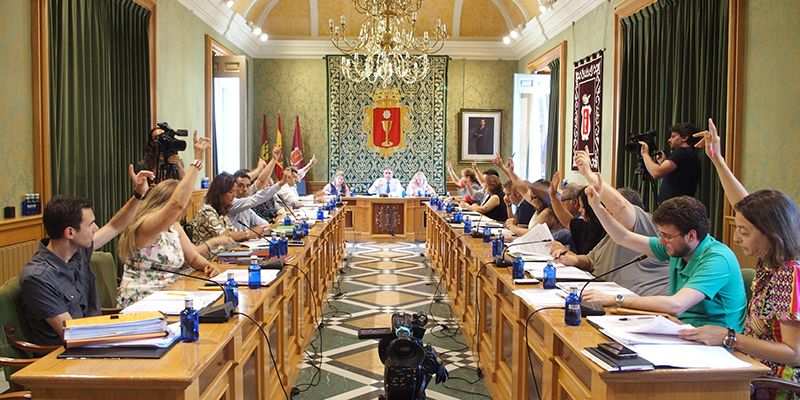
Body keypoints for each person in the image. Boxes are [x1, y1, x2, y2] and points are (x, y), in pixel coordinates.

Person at [674, 119, 800, 397]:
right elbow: (744, 205)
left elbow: (794, 354)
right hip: (748, 367)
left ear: (770, 232)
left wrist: (729, 337)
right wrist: (717, 160)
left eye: (744, 231)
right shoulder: (771, 260)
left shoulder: (791, 275)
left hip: (775, 384)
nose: (737, 237)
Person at [582, 172, 746, 330]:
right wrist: (597, 207)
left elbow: (676, 305)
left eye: (667, 236)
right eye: (660, 234)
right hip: (680, 328)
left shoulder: (717, 259)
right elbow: (623, 237)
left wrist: (615, 300)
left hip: (714, 344)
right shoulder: (677, 246)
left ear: (691, 235)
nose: (661, 241)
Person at [18, 165, 154, 344]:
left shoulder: (77, 251)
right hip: (67, 358)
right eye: (91, 224)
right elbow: (73, 333)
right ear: (70, 233)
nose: (96, 229)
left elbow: (114, 226)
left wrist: (138, 195)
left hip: (94, 340)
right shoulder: (37, 278)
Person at [553, 148, 670, 296]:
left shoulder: (645, 225)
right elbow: (591, 259)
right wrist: (573, 259)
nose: (607, 213)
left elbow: (621, 206)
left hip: (642, 303)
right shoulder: (613, 234)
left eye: (609, 209)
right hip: (605, 296)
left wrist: (589, 174)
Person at [189, 172, 266, 244]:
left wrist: (251, 234)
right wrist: (248, 234)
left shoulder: (221, 212)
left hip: (226, 254)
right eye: (230, 192)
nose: (234, 195)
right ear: (219, 192)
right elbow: (223, 235)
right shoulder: (207, 211)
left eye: (234, 191)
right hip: (211, 257)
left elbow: (233, 232)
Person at [639, 122, 701, 203]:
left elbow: (656, 173)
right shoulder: (690, 154)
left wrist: (645, 154)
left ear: (684, 138)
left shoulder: (681, 152)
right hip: (681, 207)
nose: (669, 140)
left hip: (675, 209)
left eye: (673, 137)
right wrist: (663, 162)